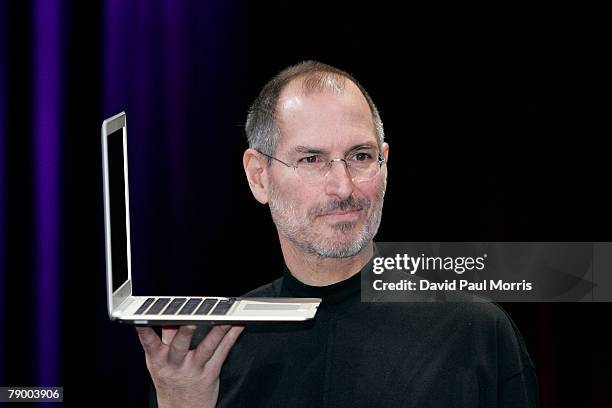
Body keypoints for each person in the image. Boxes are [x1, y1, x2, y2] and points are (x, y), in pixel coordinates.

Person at [136, 60, 539, 407]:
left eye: (360, 157)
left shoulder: (474, 331)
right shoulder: (207, 354)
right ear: (258, 176)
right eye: (312, 159)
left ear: (385, 163)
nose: (344, 187)